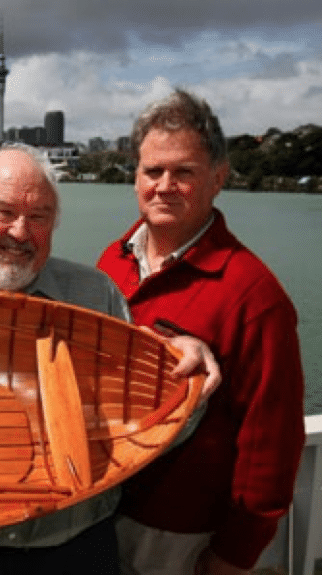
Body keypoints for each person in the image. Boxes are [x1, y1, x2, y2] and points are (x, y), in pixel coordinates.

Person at [0, 143, 219, 575]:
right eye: (3, 212)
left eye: (38, 217)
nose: (20, 232)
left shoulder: (96, 296)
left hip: (77, 549)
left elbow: (144, 426)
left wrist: (186, 383)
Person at [96, 89, 305, 574]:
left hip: (179, 534)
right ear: (136, 178)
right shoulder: (113, 260)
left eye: (184, 172)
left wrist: (234, 555)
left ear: (218, 179)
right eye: (153, 171)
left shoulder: (254, 294)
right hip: (102, 509)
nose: (164, 186)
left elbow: (272, 445)